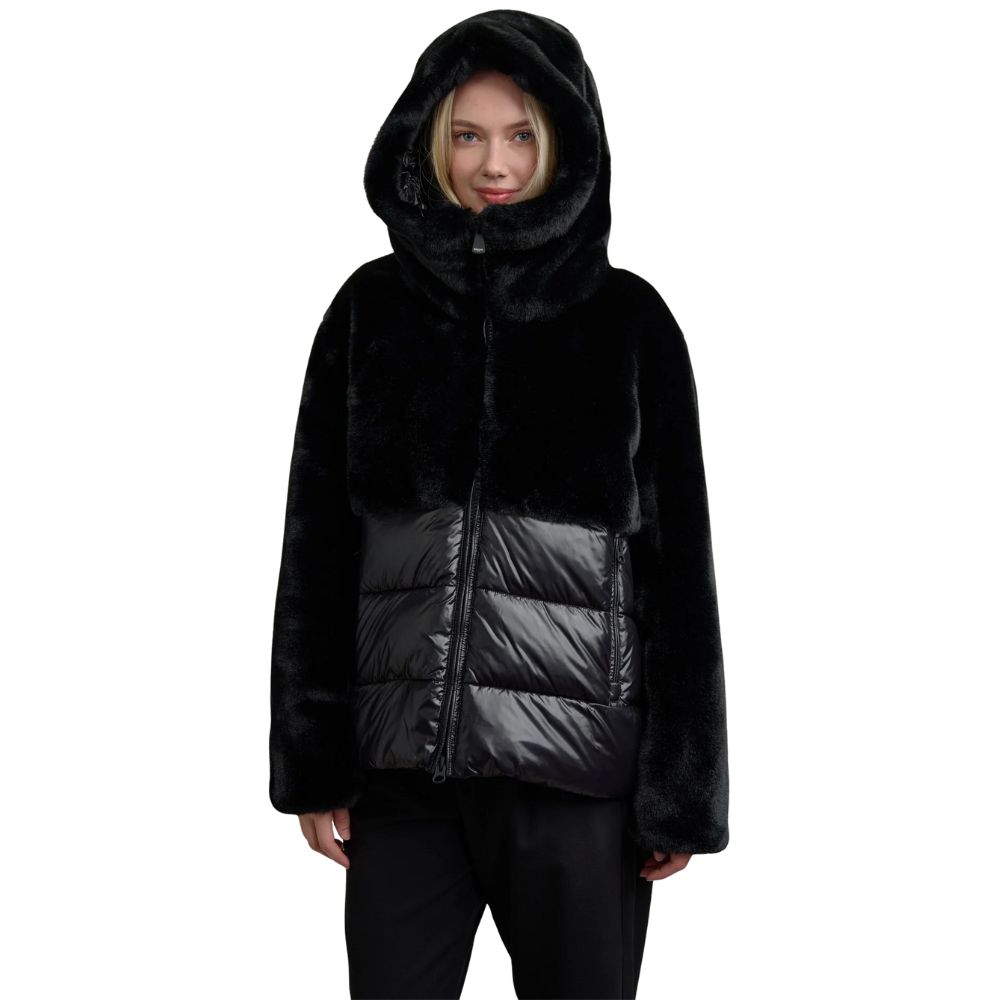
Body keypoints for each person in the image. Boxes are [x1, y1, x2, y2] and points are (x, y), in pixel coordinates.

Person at [268, 10, 730, 999]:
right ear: (429, 141)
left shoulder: (628, 323)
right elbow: (316, 553)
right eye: (467, 134)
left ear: (565, 144)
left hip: (577, 784)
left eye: (523, 134)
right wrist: (313, 762)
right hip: (404, 782)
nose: (495, 164)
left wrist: (681, 790)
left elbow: (679, 576)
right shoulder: (368, 313)